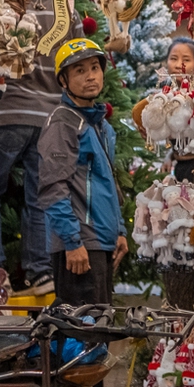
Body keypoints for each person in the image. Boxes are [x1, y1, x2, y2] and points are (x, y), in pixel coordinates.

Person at [0, 0, 71, 294]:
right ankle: (40, 273)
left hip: (11, 111)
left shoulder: (2, 5)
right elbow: (76, 61)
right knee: (39, 198)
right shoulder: (66, 9)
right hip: (51, 116)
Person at [36, 38, 129, 307]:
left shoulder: (98, 124)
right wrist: (71, 242)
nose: (90, 76)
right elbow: (53, 188)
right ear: (63, 81)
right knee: (82, 338)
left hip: (101, 242)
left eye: (94, 68)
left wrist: (119, 231)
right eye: (79, 71)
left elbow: (108, 181)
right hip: (79, 247)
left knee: (98, 331)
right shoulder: (63, 123)